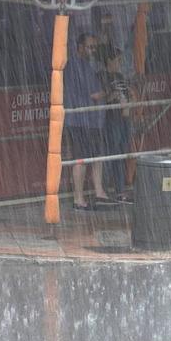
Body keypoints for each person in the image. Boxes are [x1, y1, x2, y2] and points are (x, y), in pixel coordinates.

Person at [64, 33, 113, 210]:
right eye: (90, 47)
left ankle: (98, 191)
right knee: (81, 158)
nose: (93, 51)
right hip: (80, 119)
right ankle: (78, 198)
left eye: (94, 47)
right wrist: (109, 90)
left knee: (97, 156)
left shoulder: (86, 66)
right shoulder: (76, 66)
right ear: (80, 47)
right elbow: (93, 94)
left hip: (92, 119)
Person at [97, 44, 133, 204]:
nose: (120, 63)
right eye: (117, 60)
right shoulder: (102, 76)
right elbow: (103, 98)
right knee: (114, 154)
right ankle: (114, 189)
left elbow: (127, 94)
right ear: (109, 61)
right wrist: (114, 96)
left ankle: (119, 188)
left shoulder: (120, 76)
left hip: (125, 118)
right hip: (112, 119)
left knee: (123, 152)